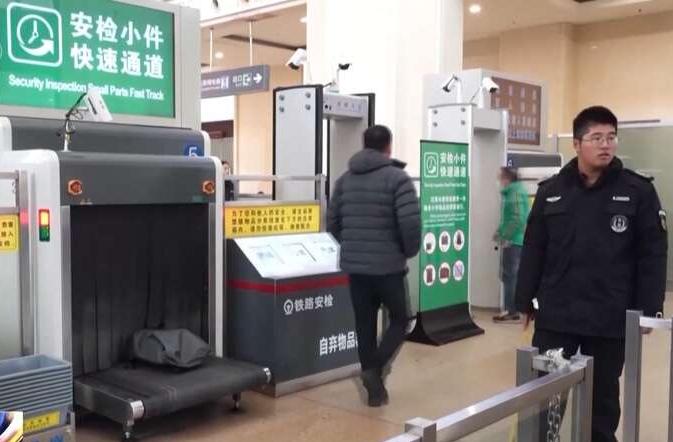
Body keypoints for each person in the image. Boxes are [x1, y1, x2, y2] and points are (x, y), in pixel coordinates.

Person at [515, 106, 668, 442]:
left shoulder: (638, 191)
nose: (606, 144)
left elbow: (652, 254)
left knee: (602, 405)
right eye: (596, 137)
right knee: (545, 401)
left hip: (609, 318)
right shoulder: (551, 191)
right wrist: (524, 300)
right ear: (577, 144)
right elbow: (535, 248)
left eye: (611, 137)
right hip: (557, 317)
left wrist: (648, 309)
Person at [327, 124, 420, 407]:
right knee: (401, 319)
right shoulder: (398, 179)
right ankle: (374, 369)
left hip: (356, 271)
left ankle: (374, 392)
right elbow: (410, 224)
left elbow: (332, 224)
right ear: (388, 146)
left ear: (364, 144)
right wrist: (407, 251)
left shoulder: (344, 181)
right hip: (389, 269)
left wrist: (353, 247)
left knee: (364, 326)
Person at [493, 167, 530, 323]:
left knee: (510, 276)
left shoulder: (514, 193)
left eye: (500, 177)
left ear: (507, 178)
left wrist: (504, 235)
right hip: (518, 239)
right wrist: (499, 232)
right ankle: (517, 309)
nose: (499, 181)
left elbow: (517, 219)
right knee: (513, 276)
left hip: (513, 241)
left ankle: (512, 311)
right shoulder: (516, 191)